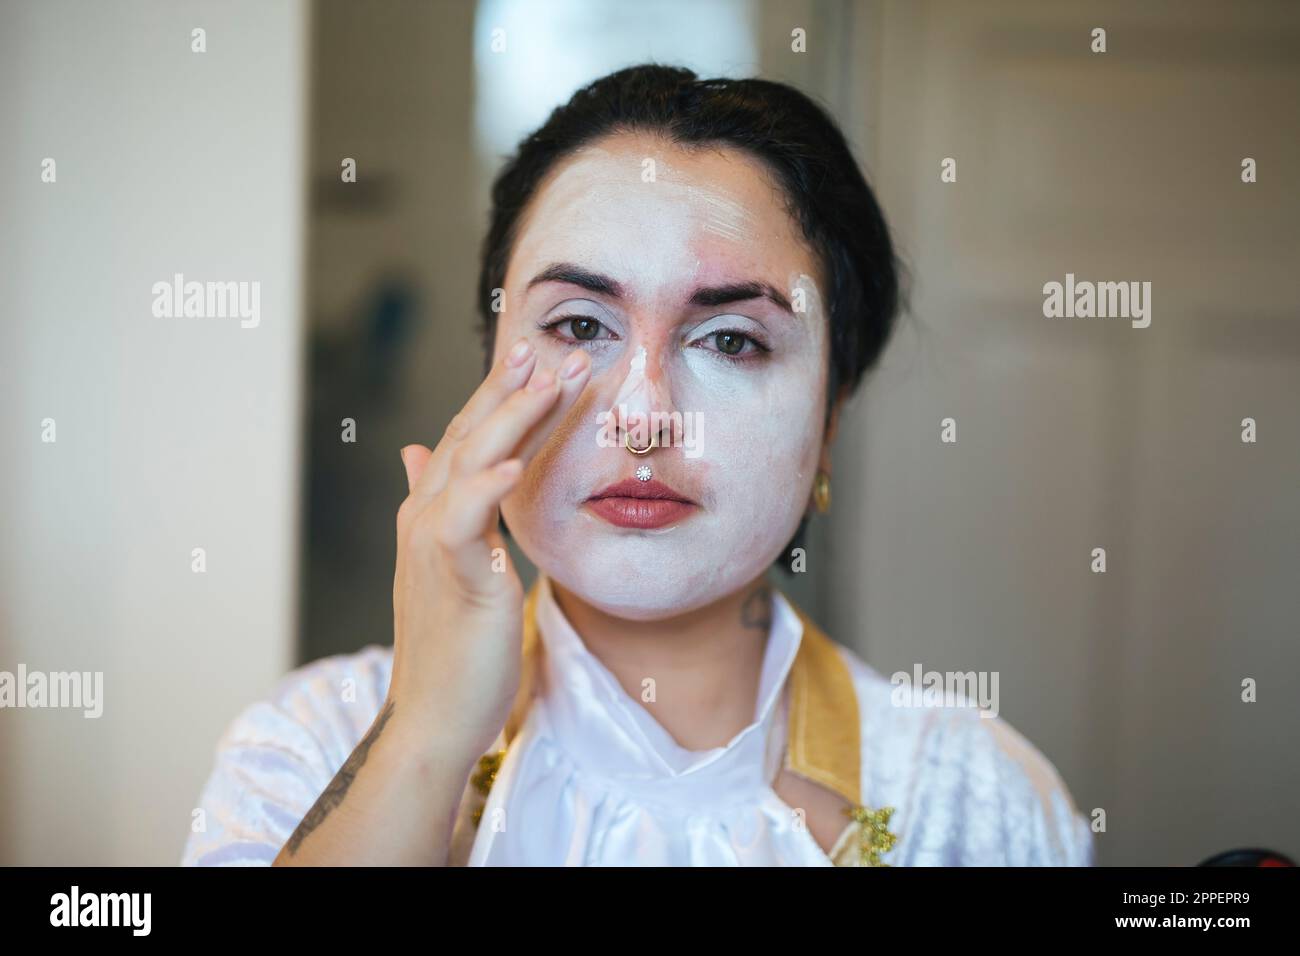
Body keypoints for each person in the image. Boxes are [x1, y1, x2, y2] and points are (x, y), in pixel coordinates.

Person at [181, 64, 1093, 867]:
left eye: (732, 341)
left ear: (830, 419)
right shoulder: (306, 742)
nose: (646, 418)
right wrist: (426, 737)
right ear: (489, 372)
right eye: (580, 326)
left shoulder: (984, 803)